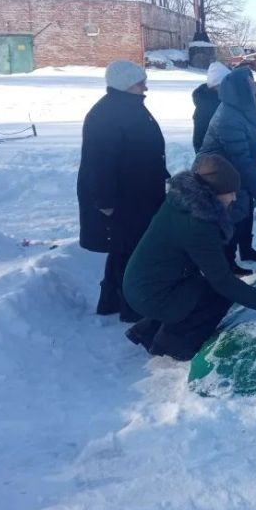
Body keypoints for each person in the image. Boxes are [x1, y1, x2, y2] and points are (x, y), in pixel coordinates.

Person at [122, 154, 256, 361]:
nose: (234, 199)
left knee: (204, 289)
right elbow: (222, 281)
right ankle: (172, 344)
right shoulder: (198, 224)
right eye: (230, 193)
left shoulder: (182, 203)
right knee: (218, 298)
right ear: (214, 193)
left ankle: (145, 331)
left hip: (146, 284)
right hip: (152, 293)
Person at [77, 60, 169, 322]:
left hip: (139, 192)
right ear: (126, 84)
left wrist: (160, 172)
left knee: (124, 248)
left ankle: (110, 302)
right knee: (130, 251)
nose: (145, 87)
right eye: (140, 82)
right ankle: (132, 309)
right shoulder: (105, 115)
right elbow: (99, 161)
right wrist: (104, 200)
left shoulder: (130, 106)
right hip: (122, 198)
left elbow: (142, 147)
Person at [200, 67, 256, 275]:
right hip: (219, 175)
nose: (255, 89)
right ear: (240, 90)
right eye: (251, 85)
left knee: (243, 209)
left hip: (233, 170)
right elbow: (241, 160)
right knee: (229, 216)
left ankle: (243, 252)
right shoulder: (228, 118)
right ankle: (227, 265)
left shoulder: (241, 109)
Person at [192, 61, 231, 153]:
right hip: (214, 159)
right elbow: (199, 140)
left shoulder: (224, 102)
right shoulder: (206, 107)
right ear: (217, 86)